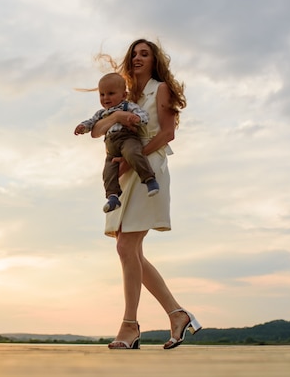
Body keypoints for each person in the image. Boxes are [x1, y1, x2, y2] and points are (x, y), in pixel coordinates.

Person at [90, 39, 201, 350]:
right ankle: (177, 315)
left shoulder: (160, 89)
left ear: (154, 60)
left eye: (145, 54)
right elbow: (98, 130)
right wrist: (116, 120)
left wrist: (131, 159)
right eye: (134, 54)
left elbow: (167, 133)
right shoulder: (121, 94)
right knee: (131, 251)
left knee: (127, 246)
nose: (138, 58)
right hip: (125, 174)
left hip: (148, 168)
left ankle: (129, 325)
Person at [74, 73, 160, 213]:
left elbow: (144, 115)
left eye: (111, 93)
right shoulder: (101, 113)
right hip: (110, 146)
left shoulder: (127, 106)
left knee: (133, 153)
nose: (106, 98)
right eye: (102, 94)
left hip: (126, 138)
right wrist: (83, 127)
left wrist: (136, 118)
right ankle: (112, 197)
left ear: (123, 95)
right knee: (108, 171)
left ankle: (149, 179)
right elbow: (91, 123)